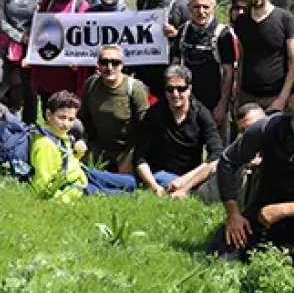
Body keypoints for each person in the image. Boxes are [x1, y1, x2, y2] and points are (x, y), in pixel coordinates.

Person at [211, 75, 294, 268]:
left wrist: (282, 210)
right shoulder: (268, 127)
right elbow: (227, 162)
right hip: (265, 209)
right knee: (221, 252)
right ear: (290, 101)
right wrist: (233, 214)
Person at [134, 65, 224, 199]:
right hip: (156, 175)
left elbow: (216, 155)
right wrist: (154, 186)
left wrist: (184, 182)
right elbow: (140, 157)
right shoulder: (155, 113)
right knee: (110, 180)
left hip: (189, 176)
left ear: (189, 89)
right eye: (170, 89)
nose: (175, 94)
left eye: (181, 89)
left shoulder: (201, 114)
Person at [31, 90, 137, 202]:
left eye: (71, 119)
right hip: (74, 186)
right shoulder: (45, 145)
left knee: (131, 182)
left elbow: (66, 162)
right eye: (61, 117)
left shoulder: (61, 135)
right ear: (48, 115)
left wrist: (78, 154)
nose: (66, 124)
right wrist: (65, 198)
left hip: (82, 173)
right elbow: (42, 184)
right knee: (127, 196)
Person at [233, 0, 294, 113]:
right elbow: (241, 59)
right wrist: (237, 96)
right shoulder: (241, 22)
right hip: (247, 96)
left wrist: (282, 99)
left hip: (275, 98)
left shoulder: (285, 19)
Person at [172, 0, 236, 130]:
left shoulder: (223, 35)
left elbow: (228, 73)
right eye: (196, 7)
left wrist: (222, 104)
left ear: (214, 8)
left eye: (205, 7)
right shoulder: (183, 32)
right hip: (188, 105)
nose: (201, 12)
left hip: (214, 105)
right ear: (189, 8)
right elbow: (175, 65)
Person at [79, 44, 150, 173]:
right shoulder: (90, 85)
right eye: (104, 62)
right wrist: (81, 141)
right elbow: (83, 119)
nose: (109, 67)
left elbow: (146, 129)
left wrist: (131, 157)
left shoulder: (134, 88)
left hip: (126, 152)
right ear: (98, 65)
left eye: (115, 63)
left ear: (122, 65)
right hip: (97, 149)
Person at [30, 0, 91, 107]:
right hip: (48, 66)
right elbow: (38, 28)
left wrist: (78, 59)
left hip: (68, 70)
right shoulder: (47, 2)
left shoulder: (81, 5)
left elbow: (85, 35)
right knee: (48, 107)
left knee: (66, 107)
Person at [0, 0, 44, 123]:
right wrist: (19, 36)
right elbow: (1, 21)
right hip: (6, 47)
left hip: (30, 49)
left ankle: (29, 126)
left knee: (29, 91)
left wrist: (29, 37)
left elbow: (42, 21)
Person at [131, 0, 191, 93]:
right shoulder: (142, 1)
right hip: (146, 67)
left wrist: (176, 35)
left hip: (170, 69)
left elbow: (191, 35)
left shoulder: (181, 4)